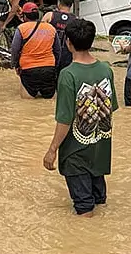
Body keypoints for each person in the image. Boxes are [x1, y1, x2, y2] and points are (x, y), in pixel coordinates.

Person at [43, 18, 119, 217]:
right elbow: (111, 109)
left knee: (85, 210)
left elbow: (65, 120)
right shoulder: (106, 69)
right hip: (100, 150)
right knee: (99, 203)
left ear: (68, 42)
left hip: (76, 154)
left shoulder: (68, 75)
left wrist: (52, 150)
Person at [10, 2, 60, 99]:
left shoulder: (21, 29)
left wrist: (15, 65)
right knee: (51, 100)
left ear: (24, 16)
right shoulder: (51, 28)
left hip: (28, 70)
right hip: (49, 69)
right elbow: (57, 51)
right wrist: (54, 67)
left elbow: (15, 50)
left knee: (27, 103)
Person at [43, 0, 76, 74]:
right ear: (71, 4)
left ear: (59, 2)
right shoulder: (76, 20)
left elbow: (39, 34)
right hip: (68, 58)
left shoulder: (49, 15)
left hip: (50, 56)